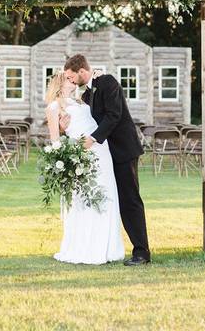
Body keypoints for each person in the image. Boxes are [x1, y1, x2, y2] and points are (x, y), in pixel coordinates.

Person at [62, 54, 152, 266]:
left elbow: (114, 115)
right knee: (118, 201)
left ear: (82, 71)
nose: (71, 81)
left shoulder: (108, 82)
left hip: (124, 151)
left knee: (130, 201)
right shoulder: (87, 95)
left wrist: (92, 139)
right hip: (107, 156)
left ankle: (142, 252)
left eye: (71, 76)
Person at [44, 71, 124, 265]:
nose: (73, 81)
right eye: (68, 79)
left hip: (101, 151)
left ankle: (108, 249)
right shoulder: (54, 106)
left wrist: (98, 76)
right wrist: (66, 158)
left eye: (73, 78)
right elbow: (55, 139)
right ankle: (86, 248)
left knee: (107, 195)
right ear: (60, 84)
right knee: (86, 200)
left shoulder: (82, 101)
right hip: (82, 155)